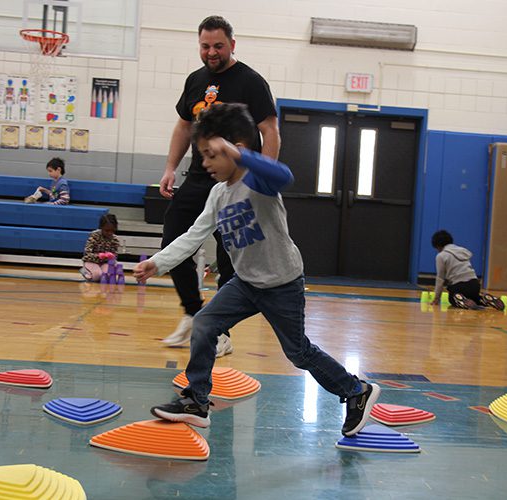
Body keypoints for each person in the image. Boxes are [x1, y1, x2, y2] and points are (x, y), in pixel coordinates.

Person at [134, 103, 379, 437]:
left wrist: (240, 154)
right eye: (203, 156)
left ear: (237, 150)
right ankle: (196, 400)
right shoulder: (218, 194)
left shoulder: (259, 181)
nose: (205, 164)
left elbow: (284, 175)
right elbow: (194, 235)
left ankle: (356, 391)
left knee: (298, 352)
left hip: (282, 285)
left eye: (211, 155)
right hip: (245, 284)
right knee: (204, 322)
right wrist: (157, 262)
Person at [157, 15, 280, 357]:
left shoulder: (251, 82)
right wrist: (170, 168)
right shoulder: (195, 80)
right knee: (173, 241)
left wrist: (262, 176)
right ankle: (194, 313)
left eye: (218, 46)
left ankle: (220, 330)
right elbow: (183, 127)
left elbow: (269, 130)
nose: (211, 52)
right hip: (199, 177)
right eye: (205, 46)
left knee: (230, 257)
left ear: (232, 45)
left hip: (237, 180)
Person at [431, 229, 505, 310]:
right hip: (475, 284)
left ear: (437, 246)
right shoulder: (462, 250)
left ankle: (462, 301)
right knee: (474, 298)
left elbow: (440, 279)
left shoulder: (441, 256)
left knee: (452, 298)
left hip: (459, 286)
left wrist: (436, 298)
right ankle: (483, 299)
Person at [80, 214, 122, 282]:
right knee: (97, 276)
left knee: (107, 276)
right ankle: (85, 271)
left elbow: (115, 255)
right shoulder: (94, 236)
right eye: (107, 230)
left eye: (112, 230)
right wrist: (99, 256)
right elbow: (87, 254)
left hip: (105, 262)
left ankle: (99, 272)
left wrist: (111, 256)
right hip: (92, 261)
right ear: (101, 227)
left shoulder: (115, 239)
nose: (110, 233)